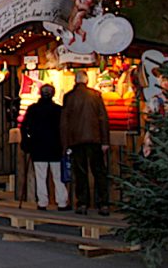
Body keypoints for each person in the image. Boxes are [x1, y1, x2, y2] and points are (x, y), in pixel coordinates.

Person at [60, 71, 110, 216]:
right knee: (99, 172)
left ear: (75, 81)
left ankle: (82, 203)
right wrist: (105, 141)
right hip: (95, 139)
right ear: (87, 80)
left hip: (76, 140)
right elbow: (103, 118)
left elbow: (64, 122)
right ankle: (103, 204)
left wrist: (65, 144)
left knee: (80, 173)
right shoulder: (96, 95)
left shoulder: (69, 97)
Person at [22, 84, 69, 211]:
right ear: (53, 94)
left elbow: (25, 127)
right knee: (58, 177)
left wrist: (26, 143)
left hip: (38, 147)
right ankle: (62, 202)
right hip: (55, 147)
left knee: (40, 176)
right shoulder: (58, 110)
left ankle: (42, 202)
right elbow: (64, 129)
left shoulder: (33, 109)